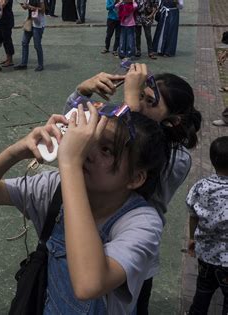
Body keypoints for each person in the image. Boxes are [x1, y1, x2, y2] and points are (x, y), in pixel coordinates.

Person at [0, 103, 173, 313]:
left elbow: (88, 284)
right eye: (90, 141)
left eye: (106, 149)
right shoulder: (55, 187)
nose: (87, 152)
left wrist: (70, 164)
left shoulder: (142, 223)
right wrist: (15, 152)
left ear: (135, 178)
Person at [65, 65, 202, 314]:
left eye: (149, 101)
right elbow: (74, 131)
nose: (139, 103)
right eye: (139, 95)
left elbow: (137, 188)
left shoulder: (177, 159)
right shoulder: (122, 119)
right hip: (89, 232)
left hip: (127, 244)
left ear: (173, 120)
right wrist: (81, 93)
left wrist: (130, 105)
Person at [186, 136, 228, 315]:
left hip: (205, 255)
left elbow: (193, 216)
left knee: (202, 292)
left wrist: (191, 238)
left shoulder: (200, 186)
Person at [14, 0, 45, 72]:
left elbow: (43, 10)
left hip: (38, 24)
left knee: (37, 45)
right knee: (24, 42)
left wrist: (31, 7)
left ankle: (40, 64)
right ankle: (23, 63)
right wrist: (25, 6)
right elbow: (26, 7)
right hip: (30, 22)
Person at [0, 0, 14, 67]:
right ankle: (8, 58)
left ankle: (10, 60)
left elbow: (2, 4)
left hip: (6, 20)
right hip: (3, 19)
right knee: (5, 40)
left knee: (7, 40)